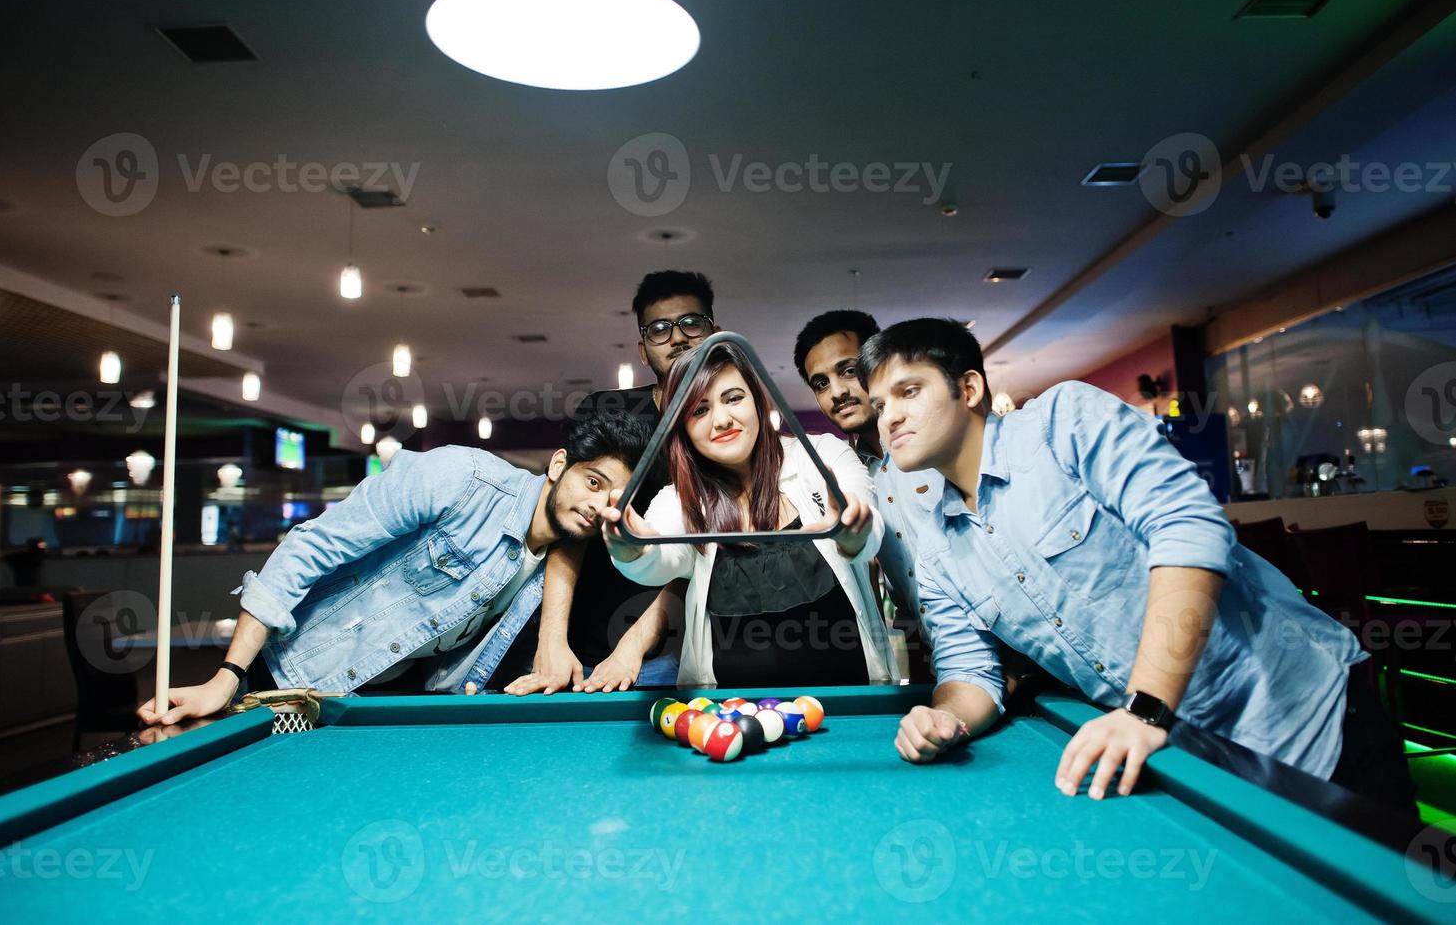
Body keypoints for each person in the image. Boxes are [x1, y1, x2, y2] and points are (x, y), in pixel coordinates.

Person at [861, 318, 1415, 813]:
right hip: (1187, 759)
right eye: (880, 404)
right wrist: (945, 718)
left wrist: (1145, 709)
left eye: (908, 391)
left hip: (1306, 720)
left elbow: (1190, 529)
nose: (891, 417)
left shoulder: (1063, 422)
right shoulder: (933, 544)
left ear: (969, 388)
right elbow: (969, 672)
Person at [136, 412, 648, 725]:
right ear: (559, 466)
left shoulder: (557, 564)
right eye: (593, 482)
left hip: (372, 706)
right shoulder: (460, 477)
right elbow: (311, 547)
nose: (596, 504)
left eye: (613, 498)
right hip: (290, 679)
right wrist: (228, 676)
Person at [600, 340, 899, 687]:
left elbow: (867, 528)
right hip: (727, 723)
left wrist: (850, 532)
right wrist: (632, 549)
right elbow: (658, 560)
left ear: (757, 400)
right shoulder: (679, 500)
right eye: (699, 410)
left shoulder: (821, 454)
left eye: (733, 398)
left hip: (848, 712)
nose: (722, 419)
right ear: (682, 428)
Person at [505, 270, 719, 695]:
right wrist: (552, 639)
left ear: (714, 333)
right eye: (660, 329)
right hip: (576, 645)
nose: (677, 338)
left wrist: (634, 647)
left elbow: (701, 554)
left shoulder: (723, 432)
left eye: (691, 323)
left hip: (666, 654)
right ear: (642, 349)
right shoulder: (608, 409)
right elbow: (571, 530)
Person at [794, 309, 940, 681]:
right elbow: (891, 587)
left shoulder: (938, 444)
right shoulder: (848, 476)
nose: (837, 392)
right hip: (935, 659)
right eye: (821, 383)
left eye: (847, 370)